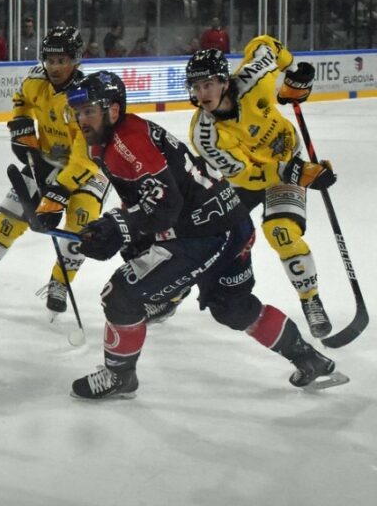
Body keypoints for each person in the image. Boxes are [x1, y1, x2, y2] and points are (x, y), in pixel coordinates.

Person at [62, 70, 344, 399]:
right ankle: (310, 359)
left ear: (112, 110)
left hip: (201, 235)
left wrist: (118, 225)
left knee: (120, 296)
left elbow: (165, 205)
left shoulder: (125, 144)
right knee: (232, 307)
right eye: (78, 112)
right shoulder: (119, 136)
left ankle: (120, 376)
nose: (81, 120)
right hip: (231, 223)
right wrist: (123, 228)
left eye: (88, 111)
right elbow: (146, 196)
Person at [0, 27, 109, 314]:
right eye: (50, 60)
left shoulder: (86, 98)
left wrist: (57, 193)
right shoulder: (35, 79)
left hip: (89, 168)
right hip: (45, 160)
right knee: (8, 221)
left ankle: (60, 282)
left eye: (62, 61)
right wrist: (21, 125)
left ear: (76, 60)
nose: (54, 67)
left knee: (80, 228)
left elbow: (84, 157)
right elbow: (21, 99)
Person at [186, 39, 337, 338]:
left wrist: (293, 75)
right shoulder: (205, 135)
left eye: (208, 85)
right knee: (205, 230)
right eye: (196, 86)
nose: (202, 94)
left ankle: (311, 300)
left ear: (224, 82)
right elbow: (246, 176)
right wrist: (294, 172)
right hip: (252, 177)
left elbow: (266, 45)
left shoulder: (253, 79)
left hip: (288, 157)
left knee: (281, 232)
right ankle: (175, 293)